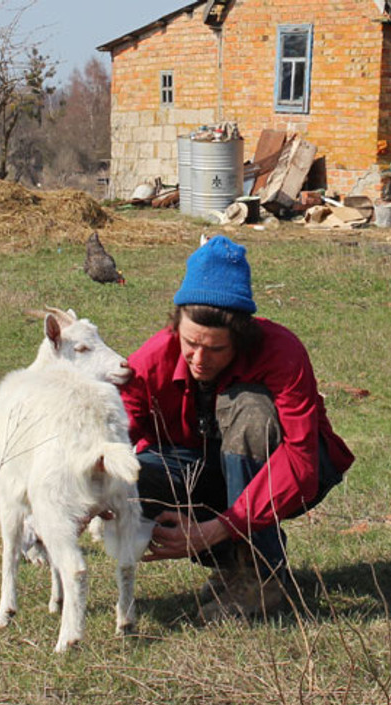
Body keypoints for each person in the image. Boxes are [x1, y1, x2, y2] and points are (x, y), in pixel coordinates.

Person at [121, 236, 353, 619]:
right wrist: (81, 499)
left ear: (241, 339)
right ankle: (233, 565)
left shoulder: (282, 352)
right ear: (176, 324)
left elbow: (302, 460)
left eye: (216, 350)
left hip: (286, 467)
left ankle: (261, 576)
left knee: (252, 413)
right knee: (129, 477)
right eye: (190, 343)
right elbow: (112, 440)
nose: (198, 359)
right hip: (201, 468)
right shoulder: (150, 360)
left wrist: (214, 529)